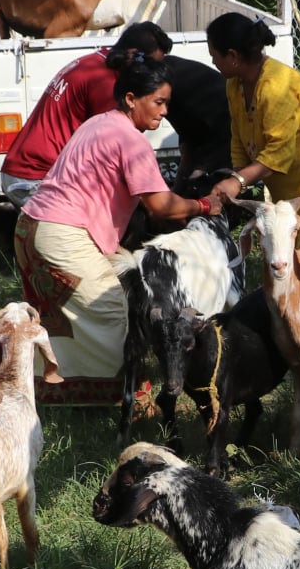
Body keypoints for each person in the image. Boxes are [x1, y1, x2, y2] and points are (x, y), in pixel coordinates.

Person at [13, 60, 221, 401]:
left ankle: (43, 389)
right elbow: (160, 206)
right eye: (158, 102)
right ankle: (120, 398)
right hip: (60, 235)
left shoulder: (98, 123)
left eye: (167, 103)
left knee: (57, 318)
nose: (165, 112)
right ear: (130, 99)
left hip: (29, 228)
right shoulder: (130, 140)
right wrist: (203, 206)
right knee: (114, 310)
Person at [205, 12, 300, 245]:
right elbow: (238, 135)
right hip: (295, 188)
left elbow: (278, 154)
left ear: (233, 56)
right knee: (290, 263)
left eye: (214, 56)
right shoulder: (234, 85)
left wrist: (238, 180)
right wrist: (238, 180)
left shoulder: (274, 87)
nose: (212, 62)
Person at [0, 23, 173, 206]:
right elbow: (113, 150)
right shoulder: (106, 82)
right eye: (152, 65)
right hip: (36, 177)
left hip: (25, 170)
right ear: (134, 55)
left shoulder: (94, 62)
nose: (154, 74)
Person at [159, 53, 232, 194]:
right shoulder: (171, 82)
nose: (161, 112)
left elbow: (188, 150)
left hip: (224, 130)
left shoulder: (168, 85)